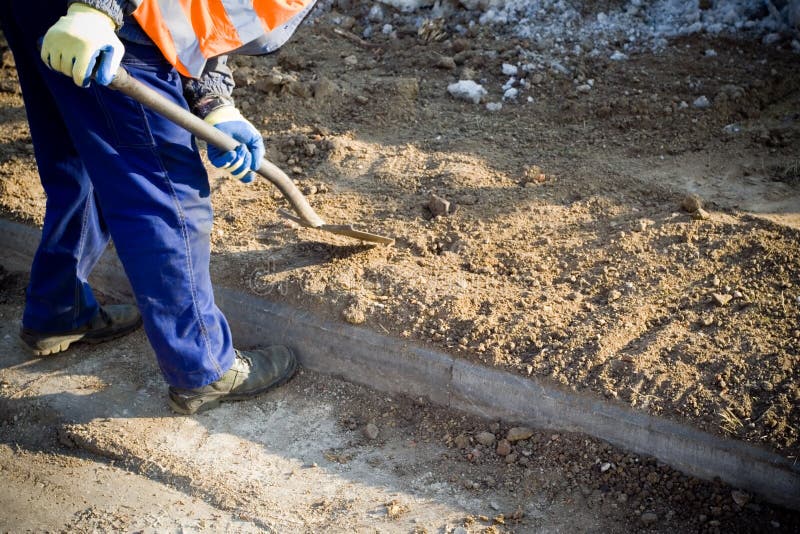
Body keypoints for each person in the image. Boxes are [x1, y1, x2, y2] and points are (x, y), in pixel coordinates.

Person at [0, 0, 315, 414]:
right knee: (167, 192)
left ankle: (59, 307)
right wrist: (99, 9)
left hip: (46, 12)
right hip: (106, 19)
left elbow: (199, 13)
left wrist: (215, 103)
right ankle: (202, 368)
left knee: (84, 155)